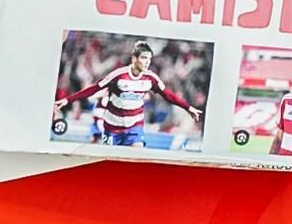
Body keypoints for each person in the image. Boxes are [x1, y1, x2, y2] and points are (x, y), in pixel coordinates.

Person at [54, 41, 203, 146]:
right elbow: (94, 89)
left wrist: (188, 108)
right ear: (134, 59)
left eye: (149, 59)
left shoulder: (151, 78)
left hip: (134, 126)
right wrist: (68, 100)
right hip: (112, 126)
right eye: (144, 58)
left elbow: (168, 95)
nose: (147, 62)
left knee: (135, 157)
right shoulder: (118, 75)